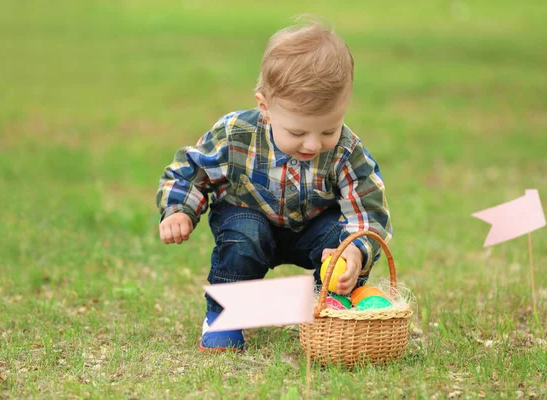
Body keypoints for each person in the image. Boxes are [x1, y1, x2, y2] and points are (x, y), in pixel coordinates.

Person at [156, 19, 392, 352]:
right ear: (265, 107)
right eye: (298, 133)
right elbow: (190, 169)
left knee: (339, 240)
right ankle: (226, 316)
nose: (313, 144)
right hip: (248, 219)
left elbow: (370, 211)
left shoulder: (347, 151)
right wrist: (179, 210)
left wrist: (355, 250)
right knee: (245, 234)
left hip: (310, 229)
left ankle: (329, 303)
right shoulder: (236, 133)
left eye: (328, 130)